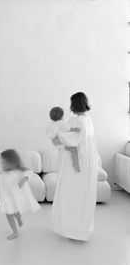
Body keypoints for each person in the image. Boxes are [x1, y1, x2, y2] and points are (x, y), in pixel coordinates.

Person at [51, 92, 99, 241]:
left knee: (71, 193)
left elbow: (70, 140)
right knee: (83, 194)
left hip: (76, 164)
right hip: (88, 162)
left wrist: (56, 133)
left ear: (74, 104)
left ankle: (72, 229)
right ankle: (81, 228)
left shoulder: (77, 120)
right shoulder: (88, 120)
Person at [0, 149, 40, 240]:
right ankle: (15, 232)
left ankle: (19, 219)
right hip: (7, 198)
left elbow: (29, 172)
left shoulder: (18, 171)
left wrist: (24, 180)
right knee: (9, 214)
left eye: (5, 162)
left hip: (15, 197)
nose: (2, 164)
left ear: (12, 161)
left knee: (16, 211)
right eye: (2, 162)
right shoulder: (4, 172)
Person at [46, 106, 80, 172]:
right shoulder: (61, 123)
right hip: (59, 141)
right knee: (74, 149)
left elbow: (48, 132)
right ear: (61, 116)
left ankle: (75, 163)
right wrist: (76, 129)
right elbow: (68, 129)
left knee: (69, 149)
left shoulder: (51, 124)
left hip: (54, 142)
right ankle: (75, 163)